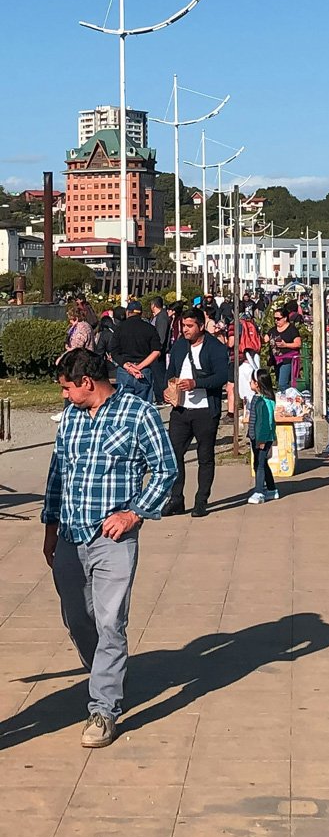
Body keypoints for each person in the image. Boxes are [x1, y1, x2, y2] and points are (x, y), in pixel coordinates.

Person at [41, 347, 177, 747]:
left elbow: (165, 469)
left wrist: (134, 514)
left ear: (87, 383)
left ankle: (103, 709)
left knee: (109, 621)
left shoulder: (138, 413)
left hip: (112, 537)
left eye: (67, 388)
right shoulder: (70, 417)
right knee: (77, 619)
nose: (64, 395)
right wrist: (49, 529)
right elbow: (57, 472)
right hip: (70, 534)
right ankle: (105, 668)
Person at [165, 308, 232, 518]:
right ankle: (176, 498)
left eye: (189, 326)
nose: (185, 330)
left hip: (205, 410)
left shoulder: (215, 348)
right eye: (183, 325)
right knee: (173, 455)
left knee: (205, 456)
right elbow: (169, 373)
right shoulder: (179, 347)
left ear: (201, 326)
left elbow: (222, 376)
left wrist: (197, 383)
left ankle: (201, 500)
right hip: (180, 410)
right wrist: (167, 391)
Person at [109, 300, 163, 403]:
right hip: (143, 370)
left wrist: (128, 366)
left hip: (125, 371)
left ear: (128, 312)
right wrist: (139, 367)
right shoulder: (150, 328)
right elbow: (156, 351)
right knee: (143, 407)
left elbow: (114, 352)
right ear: (141, 313)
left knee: (124, 407)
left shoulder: (120, 329)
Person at [247, 364, 279, 505]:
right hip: (256, 436)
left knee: (259, 465)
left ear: (258, 384)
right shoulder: (258, 398)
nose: (249, 383)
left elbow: (265, 423)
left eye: (252, 381)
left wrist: (261, 440)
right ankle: (271, 489)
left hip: (262, 438)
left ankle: (259, 491)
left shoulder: (264, 402)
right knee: (262, 463)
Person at [268, 309, 302, 392]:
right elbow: (265, 339)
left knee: (282, 384)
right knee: (279, 382)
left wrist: (285, 345)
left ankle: (287, 399)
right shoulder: (273, 330)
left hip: (287, 359)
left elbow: (298, 343)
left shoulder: (292, 329)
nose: (276, 321)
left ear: (285, 318)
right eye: (274, 318)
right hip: (277, 360)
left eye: (278, 318)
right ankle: (284, 398)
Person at [149, 296, 173, 404]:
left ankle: (163, 396)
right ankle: (159, 396)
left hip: (158, 351)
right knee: (156, 374)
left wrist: (158, 348)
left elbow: (161, 335)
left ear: (153, 305)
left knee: (159, 375)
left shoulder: (162, 317)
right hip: (154, 350)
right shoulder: (157, 316)